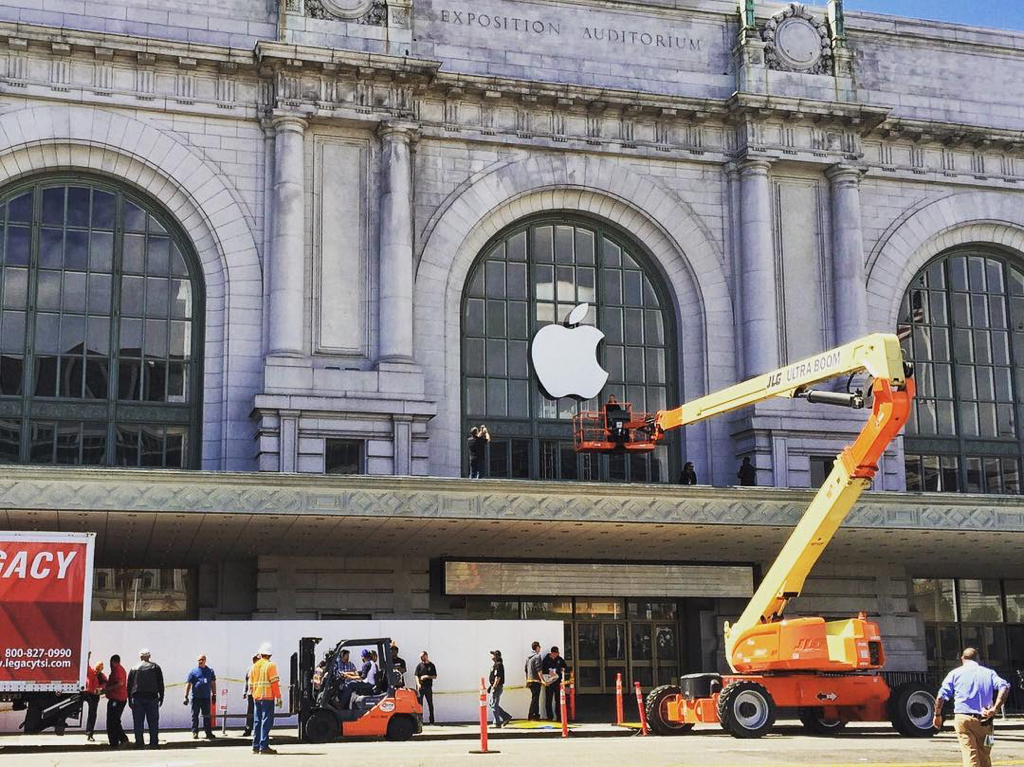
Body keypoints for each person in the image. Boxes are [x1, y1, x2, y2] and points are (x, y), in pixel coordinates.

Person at [933, 647, 1010, 767]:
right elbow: (1004, 687)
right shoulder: (989, 673)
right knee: (986, 753)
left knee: (970, 754)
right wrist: (995, 708)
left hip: (964, 719)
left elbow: (940, 697)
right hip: (987, 721)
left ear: (962, 659)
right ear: (978, 658)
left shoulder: (954, 674)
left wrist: (937, 715)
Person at [249, 642, 282, 756]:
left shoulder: (254, 666)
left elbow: (251, 685)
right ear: (270, 655)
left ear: (260, 653)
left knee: (257, 721)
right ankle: (264, 746)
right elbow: (274, 683)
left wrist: (254, 695)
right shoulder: (270, 665)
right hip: (267, 697)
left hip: (256, 697)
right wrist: (278, 697)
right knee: (266, 722)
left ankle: (255, 746)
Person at [127, 649, 164, 749]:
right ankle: (154, 743)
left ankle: (139, 743)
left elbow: (129, 686)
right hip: (152, 698)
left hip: (137, 698)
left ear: (140, 657)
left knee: (138, 722)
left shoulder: (134, 668)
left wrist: (129, 700)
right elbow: (160, 683)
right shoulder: (156, 667)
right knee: (153, 722)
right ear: (149, 656)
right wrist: (162, 696)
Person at [183, 653, 217, 740]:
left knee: (207, 716)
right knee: (195, 715)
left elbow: (213, 683)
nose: (200, 661)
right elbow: (188, 683)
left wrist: (214, 694)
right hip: (196, 698)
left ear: (205, 660)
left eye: (202, 660)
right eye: (199, 660)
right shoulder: (193, 671)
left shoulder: (210, 671)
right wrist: (185, 696)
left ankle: (208, 732)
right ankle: (195, 732)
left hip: (206, 698)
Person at [105, 654, 130, 748]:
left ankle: (119, 740)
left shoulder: (117, 670)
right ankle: (115, 741)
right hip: (118, 698)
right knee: (114, 721)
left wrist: (108, 689)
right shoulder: (119, 669)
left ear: (113, 662)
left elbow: (120, 683)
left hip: (117, 699)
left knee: (112, 721)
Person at [83, 653, 106, 742]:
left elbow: (105, 684)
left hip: (92, 695)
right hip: (88, 693)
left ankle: (89, 733)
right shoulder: (92, 672)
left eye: (100, 668)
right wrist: (87, 658)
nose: (98, 670)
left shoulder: (100, 676)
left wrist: (101, 689)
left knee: (92, 714)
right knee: (92, 714)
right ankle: (89, 733)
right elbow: (86, 666)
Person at [541, 646, 567, 721]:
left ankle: (559, 716)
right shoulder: (546, 660)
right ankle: (550, 716)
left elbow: (565, 666)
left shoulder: (559, 659)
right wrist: (548, 672)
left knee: (558, 700)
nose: (556, 655)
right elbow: (542, 670)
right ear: (552, 653)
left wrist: (563, 669)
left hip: (557, 682)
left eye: (557, 653)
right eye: (555, 653)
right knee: (548, 699)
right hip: (549, 682)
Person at [487, 650, 512, 728]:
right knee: (493, 704)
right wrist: (490, 686)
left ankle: (497, 722)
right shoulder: (495, 665)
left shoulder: (499, 665)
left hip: (497, 687)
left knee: (493, 704)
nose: (492, 656)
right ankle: (505, 717)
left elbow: (498, 677)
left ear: (497, 656)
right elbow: (494, 677)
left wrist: (494, 686)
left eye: (493, 655)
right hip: (494, 686)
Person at [414, 651, 437, 724]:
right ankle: (420, 721)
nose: (421, 658)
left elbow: (435, 676)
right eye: (420, 657)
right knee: (420, 705)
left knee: (430, 704)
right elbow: (416, 675)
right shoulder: (419, 666)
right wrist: (418, 684)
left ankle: (432, 721)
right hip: (421, 688)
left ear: (426, 656)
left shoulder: (431, 665)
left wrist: (427, 676)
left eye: (422, 657)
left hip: (428, 687)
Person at [525, 641, 544, 721]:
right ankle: (531, 715)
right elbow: (539, 669)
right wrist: (542, 680)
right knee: (535, 698)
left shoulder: (528, 658)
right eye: (539, 647)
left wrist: (527, 680)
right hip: (536, 680)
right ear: (537, 647)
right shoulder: (537, 656)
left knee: (535, 698)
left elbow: (525, 669)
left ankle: (536, 714)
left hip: (530, 680)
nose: (540, 648)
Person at [242, 652, 259, 738]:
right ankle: (248, 729)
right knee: (250, 712)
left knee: (258, 712)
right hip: (250, 694)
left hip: (258, 693)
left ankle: (257, 730)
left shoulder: (261, 669)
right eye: (254, 659)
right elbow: (246, 681)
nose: (255, 660)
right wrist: (244, 691)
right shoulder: (249, 669)